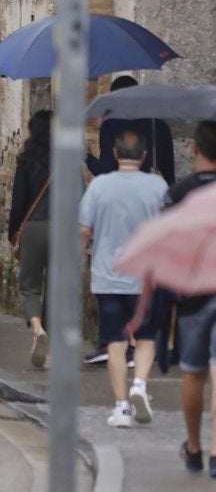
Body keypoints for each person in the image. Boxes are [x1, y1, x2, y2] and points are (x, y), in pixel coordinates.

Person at [80, 128, 168, 427]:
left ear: (116, 154)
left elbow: (84, 230)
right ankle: (139, 384)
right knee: (145, 338)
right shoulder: (157, 186)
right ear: (143, 156)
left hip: (108, 275)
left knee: (115, 342)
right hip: (146, 277)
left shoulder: (100, 186)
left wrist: (86, 248)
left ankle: (121, 408)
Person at [166, 120, 216, 471]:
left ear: (194, 149)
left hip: (193, 292)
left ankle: (195, 448)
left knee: (194, 372)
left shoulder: (178, 192)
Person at [7, 109, 54, 369]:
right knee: (56, 288)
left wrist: (12, 232)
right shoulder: (67, 160)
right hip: (63, 228)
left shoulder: (26, 161)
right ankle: (53, 344)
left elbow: (18, 203)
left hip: (34, 228)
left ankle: (37, 328)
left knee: (29, 285)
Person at [89, 75, 176, 184]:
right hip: (151, 191)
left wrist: (88, 158)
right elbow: (169, 175)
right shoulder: (159, 126)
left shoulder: (110, 126)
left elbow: (106, 170)